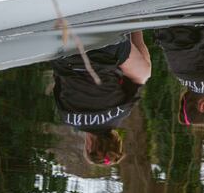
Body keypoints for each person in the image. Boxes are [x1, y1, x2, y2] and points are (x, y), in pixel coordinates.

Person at [51, 32, 151, 166]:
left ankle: (134, 23)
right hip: (65, 53)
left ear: (116, 140)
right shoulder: (67, 118)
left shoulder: (121, 112)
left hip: (108, 48)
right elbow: (58, 81)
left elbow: (133, 83)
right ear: (88, 146)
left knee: (143, 75)